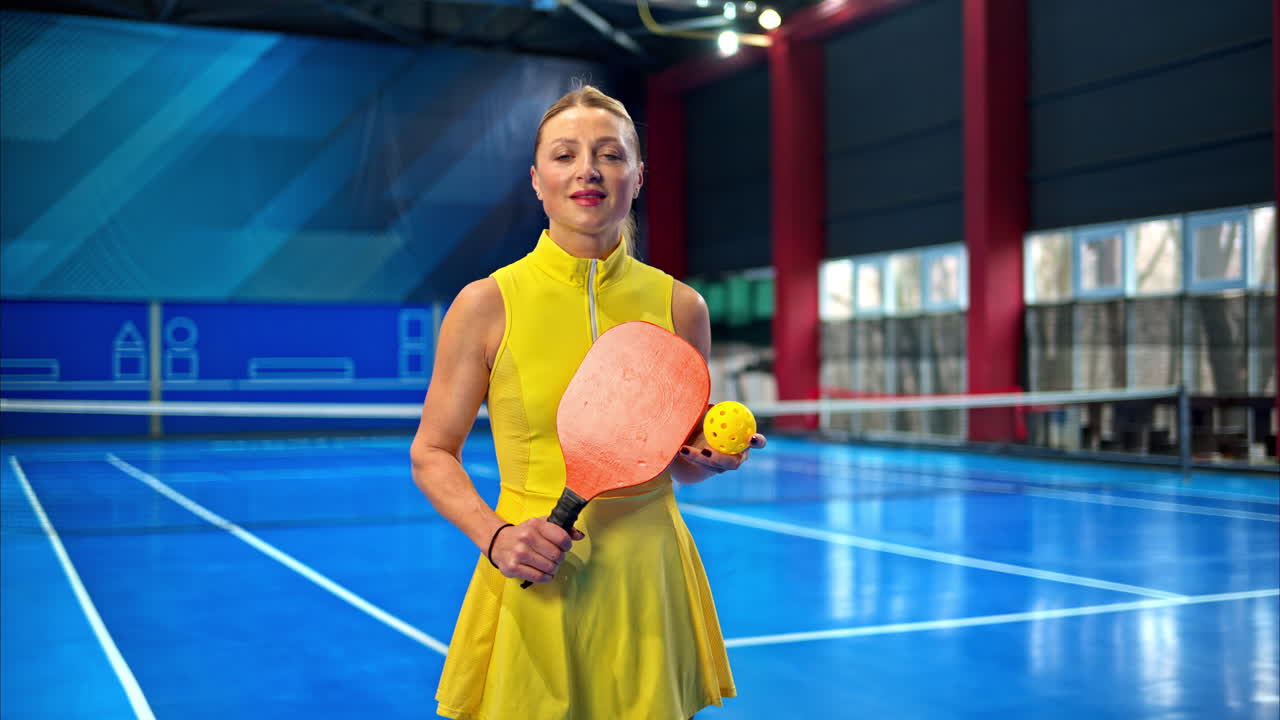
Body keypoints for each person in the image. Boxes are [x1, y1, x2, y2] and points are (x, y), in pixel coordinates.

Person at [409, 84, 766, 720]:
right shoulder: (486, 304)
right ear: (537, 179)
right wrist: (496, 538)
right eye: (565, 155)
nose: (588, 171)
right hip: (535, 574)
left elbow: (673, 461)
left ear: (638, 176)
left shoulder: (682, 306)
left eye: (610, 154)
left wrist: (705, 457)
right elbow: (432, 453)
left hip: (649, 579)